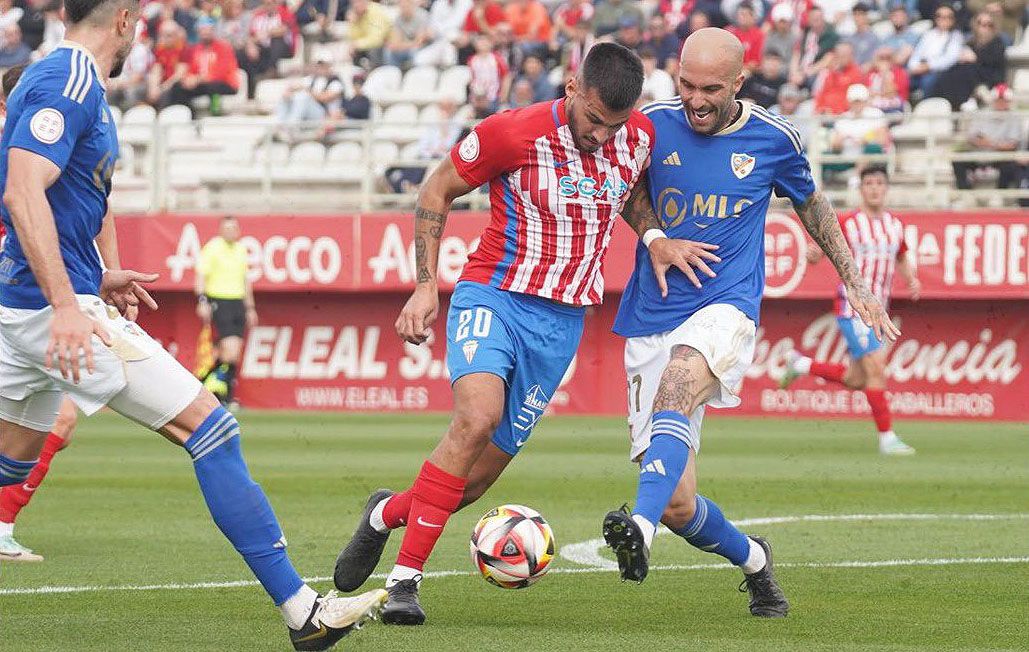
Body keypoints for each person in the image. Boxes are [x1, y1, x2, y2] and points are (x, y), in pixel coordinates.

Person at [0, 0, 386, 648]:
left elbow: (58, 201)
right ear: (123, 17)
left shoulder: (72, 82)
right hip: (49, 312)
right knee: (212, 430)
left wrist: (94, 277)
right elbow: (22, 190)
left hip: (28, 304)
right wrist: (69, 304)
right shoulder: (66, 78)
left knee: (10, 466)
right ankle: (303, 613)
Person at [332, 42, 711, 626]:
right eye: (592, 122)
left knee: (472, 482)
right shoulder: (512, 133)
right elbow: (436, 190)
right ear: (572, 90)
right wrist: (426, 285)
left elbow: (629, 191)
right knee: (475, 418)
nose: (601, 137)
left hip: (560, 326)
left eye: (614, 126)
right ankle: (404, 583)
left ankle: (385, 515)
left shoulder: (636, 138)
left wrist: (655, 236)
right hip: (495, 295)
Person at [600, 28, 895, 617]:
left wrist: (855, 281)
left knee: (680, 383)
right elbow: (627, 186)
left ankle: (639, 528)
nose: (697, 100)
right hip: (651, 310)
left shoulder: (773, 139)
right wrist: (656, 237)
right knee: (680, 503)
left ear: (740, 81)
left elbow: (813, 206)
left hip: (726, 306)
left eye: (711, 88)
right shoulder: (652, 123)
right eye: (687, 85)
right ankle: (755, 562)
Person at [780, 166, 918, 455]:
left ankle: (801, 365)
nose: (875, 188)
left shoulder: (895, 226)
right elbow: (821, 243)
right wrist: (814, 252)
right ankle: (887, 438)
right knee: (877, 369)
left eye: (880, 183)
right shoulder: (849, 223)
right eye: (869, 183)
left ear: (886, 188)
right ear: (861, 189)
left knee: (858, 380)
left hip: (879, 311)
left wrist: (912, 278)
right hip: (853, 307)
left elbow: (902, 255)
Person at [0, 64, 79, 565]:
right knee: (60, 418)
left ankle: (2, 526)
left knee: (58, 421)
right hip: (14, 303)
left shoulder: (39, 153)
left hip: (22, 301)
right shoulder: (19, 155)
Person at [195, 216, 255, 407]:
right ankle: (209, 389)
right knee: (229, 350)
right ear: (221, 230)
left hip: (238, 302)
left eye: (233, 228)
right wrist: (202, 300)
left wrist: (250, 307)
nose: (230, 231)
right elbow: (201, 276)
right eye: (226, 228)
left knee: (233, 354)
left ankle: (222, 396)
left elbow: (246, 281)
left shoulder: (241, 250)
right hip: (219, 300)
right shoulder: (213, 248)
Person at [929, 10, 1007, 109]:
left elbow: (993, 64)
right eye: (981, 24)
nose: (985, 28)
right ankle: (943, 104)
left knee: (968, 70)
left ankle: (964, 102)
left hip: (990, 76)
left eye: (989, 24)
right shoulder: (971, 42)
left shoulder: (998, 43)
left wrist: (975, 58)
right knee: (947, 75)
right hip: (970, 74)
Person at [951, 84, 1023, 191]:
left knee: (1011, 165)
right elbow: (971, 137)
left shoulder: (1015, 117)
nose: (1001, 103)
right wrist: (996, 143)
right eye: (998, 100)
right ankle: (965, 193)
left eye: (1004, 100)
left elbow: (1012, 145)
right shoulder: (982, 113)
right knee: (958, 159)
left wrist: (989, 142)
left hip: (1001, 157)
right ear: (993, 100)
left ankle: (1000, 194)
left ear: (1009, 101)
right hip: (979, 153)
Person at [162, 15, 240, 113]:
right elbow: (190, 69)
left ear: (213, 31)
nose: (206, 32)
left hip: (225, 83)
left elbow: (221, 72)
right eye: (203, 30)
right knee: (178, 87)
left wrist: (198, 79)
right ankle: (189, 115)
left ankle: (216, 113)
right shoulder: (195, 50)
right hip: (202, 83)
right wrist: (188, 79)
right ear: (198, 32)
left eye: (208, 30)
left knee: (212, 87)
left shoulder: (223, 47)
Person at [906, 5, 963, 98]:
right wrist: (913, 67)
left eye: (947, 17)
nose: (943, 19)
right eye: (939, 16)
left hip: (938, 71)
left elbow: (950, 59)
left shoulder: (955, 36)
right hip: (919, 67)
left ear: (953, 19)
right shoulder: (928, 34)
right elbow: (917, 53)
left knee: (928, 81)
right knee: (902, 77)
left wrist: (929, 66)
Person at [383, 0, 430, 69]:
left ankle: (416, 73)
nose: (404, 8)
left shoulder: (422, 15)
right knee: (389, 51)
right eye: (402, 6)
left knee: (414, 51)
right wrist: (401, 45)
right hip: (407, 47)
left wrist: (401, 45)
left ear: (412, 5)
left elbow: (419, 42)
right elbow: (395, 43)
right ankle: (394, 73)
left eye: (406, 6)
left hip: (423, 48)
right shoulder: (398, 19)